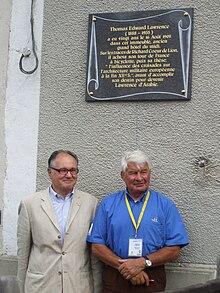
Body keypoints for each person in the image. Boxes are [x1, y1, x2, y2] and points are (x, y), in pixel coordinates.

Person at [87, 150, 189, 293]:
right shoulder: (108, 204)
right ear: (123, 175)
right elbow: (96, 246)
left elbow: (174, 250)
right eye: (133, 173)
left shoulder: (165, 205)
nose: (139, 177)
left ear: (150, 173)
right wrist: (127, 268)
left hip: (151, 275)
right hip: (116, 275)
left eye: (144, 172)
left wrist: (143, 262)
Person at [17, 150, 103, 293]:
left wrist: (97, 287)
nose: (69, 175)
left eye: (73, 170)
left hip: (78, 286)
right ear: (50, 172)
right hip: (41, 286)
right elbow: (23, 252)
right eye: (63, 170)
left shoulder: (90, 203)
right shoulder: (29, 204)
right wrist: (22, 287)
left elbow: (94, 253)